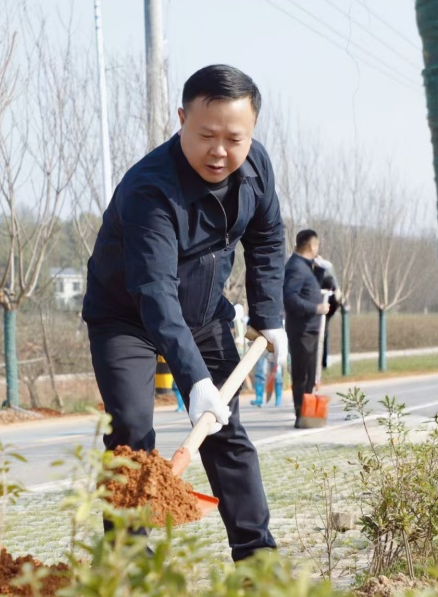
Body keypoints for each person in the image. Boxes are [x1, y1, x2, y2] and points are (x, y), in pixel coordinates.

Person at [81, 65, 287, 562]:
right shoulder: (150, 190)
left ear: (252, 132)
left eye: (234, 138)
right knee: (131, 430)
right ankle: (127, 562)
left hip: (204, 314)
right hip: (126, 317)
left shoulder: (255, 168)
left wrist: (268, 314)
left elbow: (268, 238)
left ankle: (257, 556)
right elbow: (154, 290)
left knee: (225, 430)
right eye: (206, 136)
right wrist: (194, 380)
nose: (220, 152)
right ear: (181, 120)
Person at [284, 229, 330, 429]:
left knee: (310, 375)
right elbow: (291, 298)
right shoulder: (295, 267)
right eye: (316, 245)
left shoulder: (306, 267)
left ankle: (309, 415)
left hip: (311, 330)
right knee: (302, 375)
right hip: (302, 330)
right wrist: (316, 308)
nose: (317, 249)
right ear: (311, 246)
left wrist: (319, 270)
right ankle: (300, 415)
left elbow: (310, 290)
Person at [312, 256, 342, 370]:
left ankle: (322, 361)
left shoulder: (326, 278)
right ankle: (322, 362)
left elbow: (336, 294)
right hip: (323, 308)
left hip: (324, 307)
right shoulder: (327, 276)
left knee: (322, 334)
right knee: (322, 334)